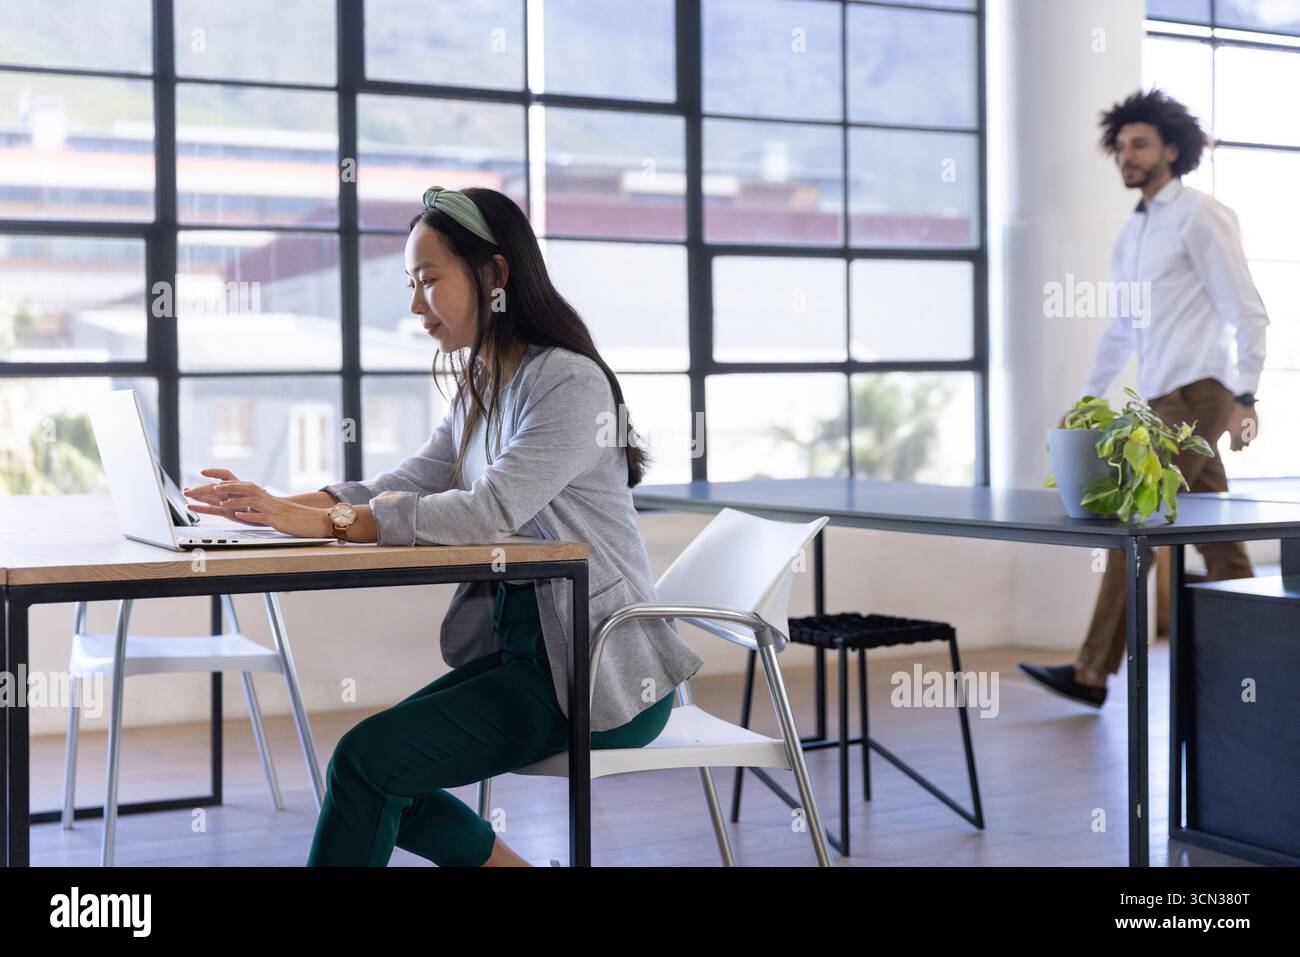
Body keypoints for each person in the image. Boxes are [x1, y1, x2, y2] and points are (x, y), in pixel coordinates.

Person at [183, 185, 704, 866]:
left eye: (429, 280)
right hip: (529, 660)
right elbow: (405, 483)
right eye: (411, 283)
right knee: (368, 768)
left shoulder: (569, 384)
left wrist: (322, 521)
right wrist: (278, 507)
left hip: (594, 671)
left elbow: (485, 511)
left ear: (494, 275)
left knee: (368, 763)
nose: (415, 304)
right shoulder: (485, 383)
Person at [1020, 89, 1268, 708]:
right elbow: (1120, 329)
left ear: (1172, 150)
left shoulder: (1199, 215)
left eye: (1140, 144)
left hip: (1200, 392)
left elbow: (1247, 308)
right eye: (1122, 145)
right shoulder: (1134, 233)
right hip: (1160, 400)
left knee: (1138, 526)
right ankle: (1268, 659)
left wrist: (1246, 393)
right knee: (1216, 533)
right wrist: (1086, 399)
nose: (1127, 156)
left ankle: (1091, 671)